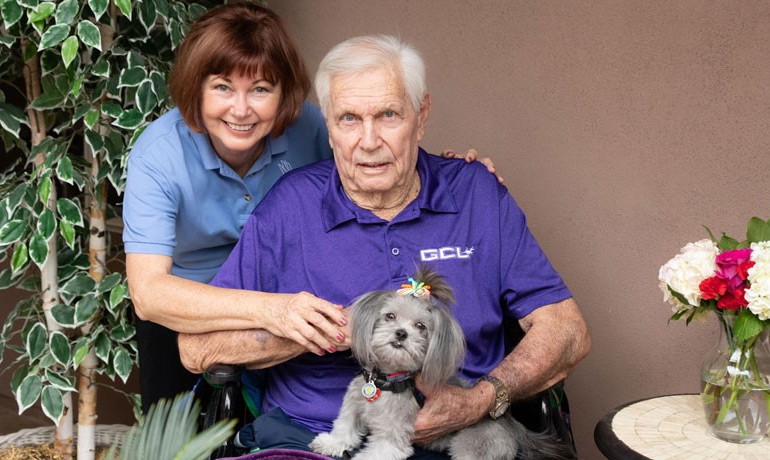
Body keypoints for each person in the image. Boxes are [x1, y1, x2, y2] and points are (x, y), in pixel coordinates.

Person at [177, 35, 591, 458]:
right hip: (315, 438)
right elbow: (197, 349)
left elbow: (568, 331)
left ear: (421, 115)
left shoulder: (475, 194)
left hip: (457, 438)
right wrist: (335, 329)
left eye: (388, 115)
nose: (369, 140)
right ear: (329, 127)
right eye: (349, 119)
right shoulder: (291, 205)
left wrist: (482, 399)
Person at [123, 2, 498, 411]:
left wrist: (458, 176)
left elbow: (378, 162)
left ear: (285, 94)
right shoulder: (158, 155)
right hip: (192, 303)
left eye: (261, 89)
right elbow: (149, 293)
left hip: (284, 289)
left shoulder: (314, 126)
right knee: (178, 439)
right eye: (222, 88)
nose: (241, 109)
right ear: (195, 88)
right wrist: (275, 309)